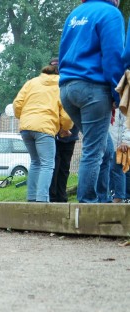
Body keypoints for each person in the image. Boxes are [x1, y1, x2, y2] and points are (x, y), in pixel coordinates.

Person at [58, 0, 126, 203]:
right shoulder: (110, 13)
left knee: (105, 148)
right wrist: (118, 95)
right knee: (93, 151)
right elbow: (114, 57)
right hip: (93, 88)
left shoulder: (76, 13)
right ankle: (87, 206)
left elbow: (63, 50)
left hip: (67, 88)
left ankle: (101, 200)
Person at [13, 60, 73, 202]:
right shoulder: (60, 85)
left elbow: (17, 104)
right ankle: (42, 199)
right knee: (47, 164)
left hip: (26, 128)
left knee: (35, 162)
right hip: (45, 128)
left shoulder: (32, 82)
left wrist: (25, 117)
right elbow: (65, 112)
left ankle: (32, 197)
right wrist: (65, 128)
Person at [50, 124, 79, 202]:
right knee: (62, 168)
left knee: (57, 167)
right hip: (63, 132)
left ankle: (56, 196)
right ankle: (58, 196)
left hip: (65, 133)